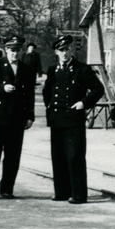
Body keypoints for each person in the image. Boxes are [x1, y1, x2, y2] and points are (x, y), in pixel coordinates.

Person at [42, 35, 103, 204]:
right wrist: (49, 106)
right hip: (57, 118)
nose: (64, 53)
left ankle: (78, 194)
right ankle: (61, 192)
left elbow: (98, 89)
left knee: (75, 156)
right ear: (56, 52)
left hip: (73, 119)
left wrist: (83, 103)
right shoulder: (52, 70)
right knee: (58, 156)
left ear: (72, 50)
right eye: (61, 50)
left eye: (67, 49)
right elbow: (47, 91)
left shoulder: (82, 69)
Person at [0, 35, 37, 200]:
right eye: (12, 50)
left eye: (18, 50)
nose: (15, 54)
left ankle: (6, 189)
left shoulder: (26, 69)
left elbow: (29, 94)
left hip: (17, 117)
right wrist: (1, 88)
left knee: (13, 155)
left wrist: (30, 115)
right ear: (6, 50)